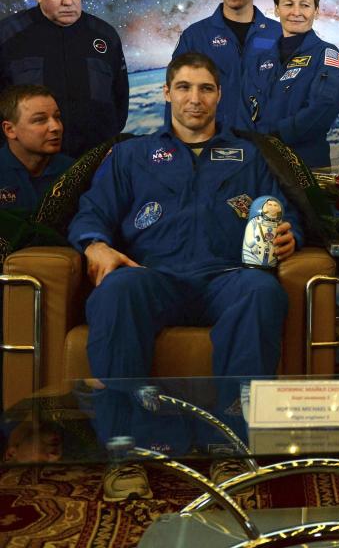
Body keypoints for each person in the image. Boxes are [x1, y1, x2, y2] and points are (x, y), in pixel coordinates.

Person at [67, 52, 302, 500]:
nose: (195, 98)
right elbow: (91, 215)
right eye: (185, 87)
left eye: (206, 88)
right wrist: (95, 244)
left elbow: (283, 213)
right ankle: (125, 451)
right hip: (155, 277)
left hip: (229, 277)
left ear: (219, 96)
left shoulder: (250, 155)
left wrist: (290, 234)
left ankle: (233, 447)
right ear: (167, 92)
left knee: (261, 290)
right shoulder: (130, 155)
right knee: (117, 290)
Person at [0, 0, 128, 158]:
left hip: (97, 160)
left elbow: (119, 102)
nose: (68, 2)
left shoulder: (105, 35)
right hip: (32, 167)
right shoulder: (8, 36)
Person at [243, 0, 339, 168]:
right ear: (276, 9)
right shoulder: (260, 60)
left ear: (316, 11)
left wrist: (274, 135)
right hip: (259, 165)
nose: (296, 12)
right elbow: (246, 107)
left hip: (306, 167)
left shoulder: (327, 55)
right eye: (288, 4)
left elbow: (323, 109)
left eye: (305, 5)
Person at [172, 0, 281, 125]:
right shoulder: (195, 37)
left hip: (265, 144)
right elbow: (176, 101)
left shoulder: (279, 34)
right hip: (212, 144)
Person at [0, 85, 74, 212]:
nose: (55, 127)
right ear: (10, 130)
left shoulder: (75, 172)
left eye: (57, 117)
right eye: (40, 120)